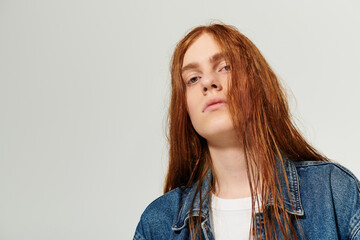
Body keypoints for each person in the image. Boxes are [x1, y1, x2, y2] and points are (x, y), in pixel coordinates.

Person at [133, 22, 360, 240]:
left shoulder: (332, 191)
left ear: (257, 83)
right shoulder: (158, 224)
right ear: (184, 108)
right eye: (193, 78)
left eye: (224, 67)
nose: (209, 82)